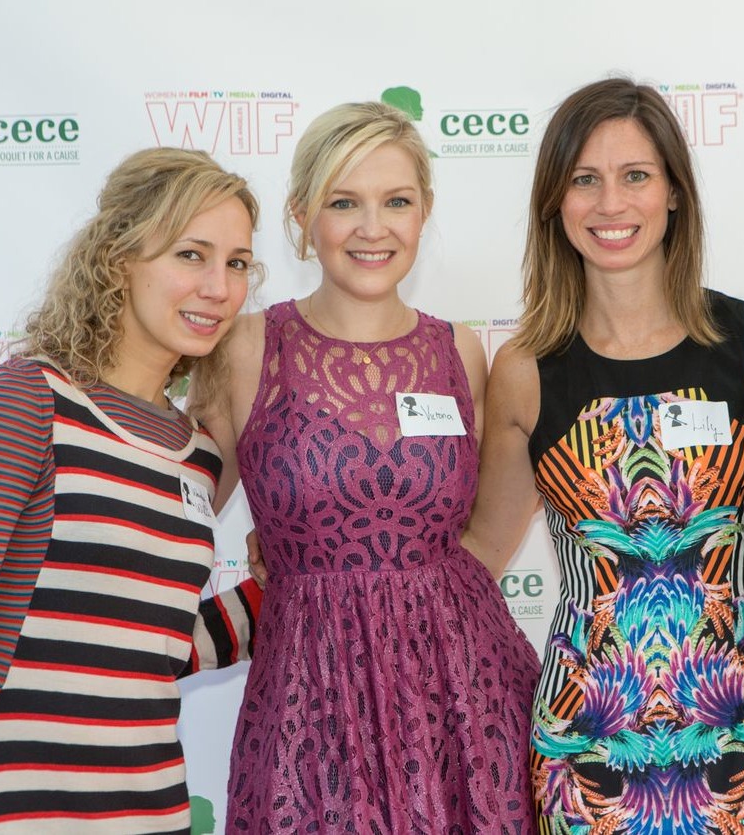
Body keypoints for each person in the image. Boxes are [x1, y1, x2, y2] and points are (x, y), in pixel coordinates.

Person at [203, 101, 541, 833]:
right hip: (309, 700)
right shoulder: (246, 346)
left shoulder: (464, 353)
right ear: (301, 216)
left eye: (396, 201)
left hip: (463, 702)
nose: (372, 227)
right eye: (343, 202)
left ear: (423, 211)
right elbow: (175, 516)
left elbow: (480, 541)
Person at [0, 147, 264, 834]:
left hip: (150, 810)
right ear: (117, 258)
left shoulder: (196, 455)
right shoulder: (29, 401)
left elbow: (138, 646)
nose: (219, 287)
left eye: (238, 263)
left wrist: (268, 604)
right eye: (191, 254)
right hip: (9, 811)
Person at [464, 77, 744, 831]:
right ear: (554, 204)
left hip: (739, 735)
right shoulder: (525, 369)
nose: (609, 204)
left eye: (634, 176)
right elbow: (475, 560)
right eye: (583, 180)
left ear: (673, 195)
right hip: (584, 746)